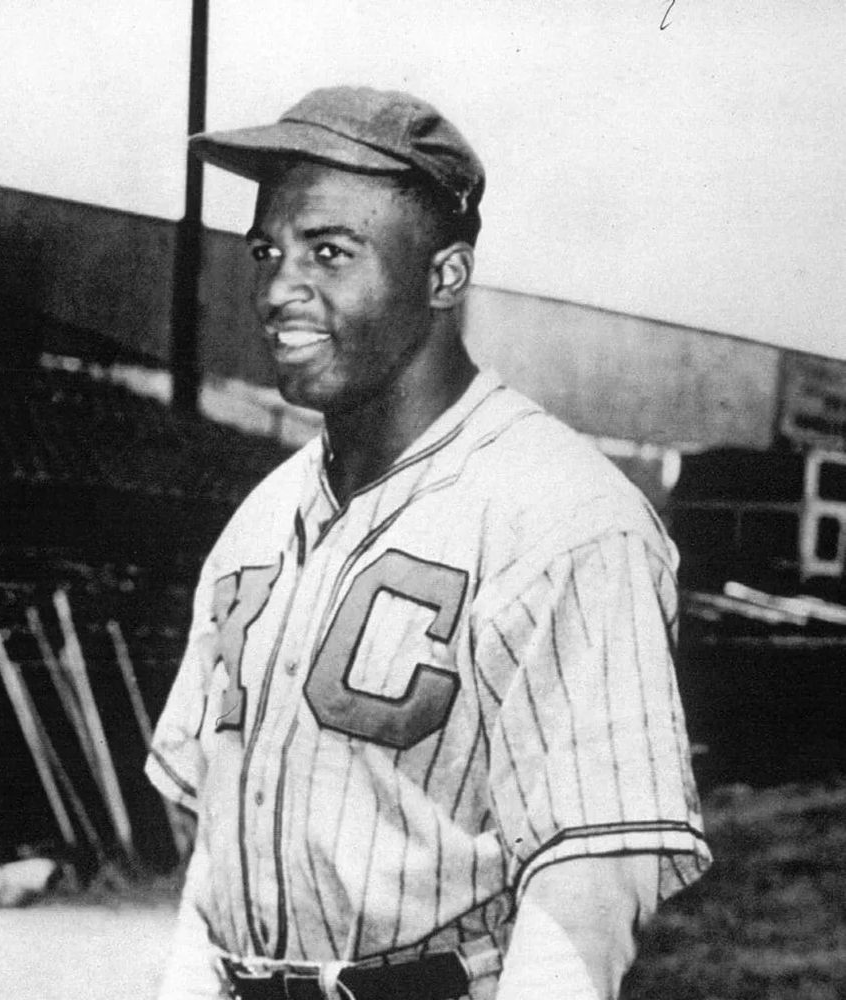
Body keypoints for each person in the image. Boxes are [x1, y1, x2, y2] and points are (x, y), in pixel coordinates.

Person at [147, 85, 711, 1000]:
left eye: (329, 252)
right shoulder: (260, 519)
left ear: (444, 276)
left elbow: (586, 897)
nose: (278, 288)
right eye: (267, 252)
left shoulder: (567, 518)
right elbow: (213, 854)